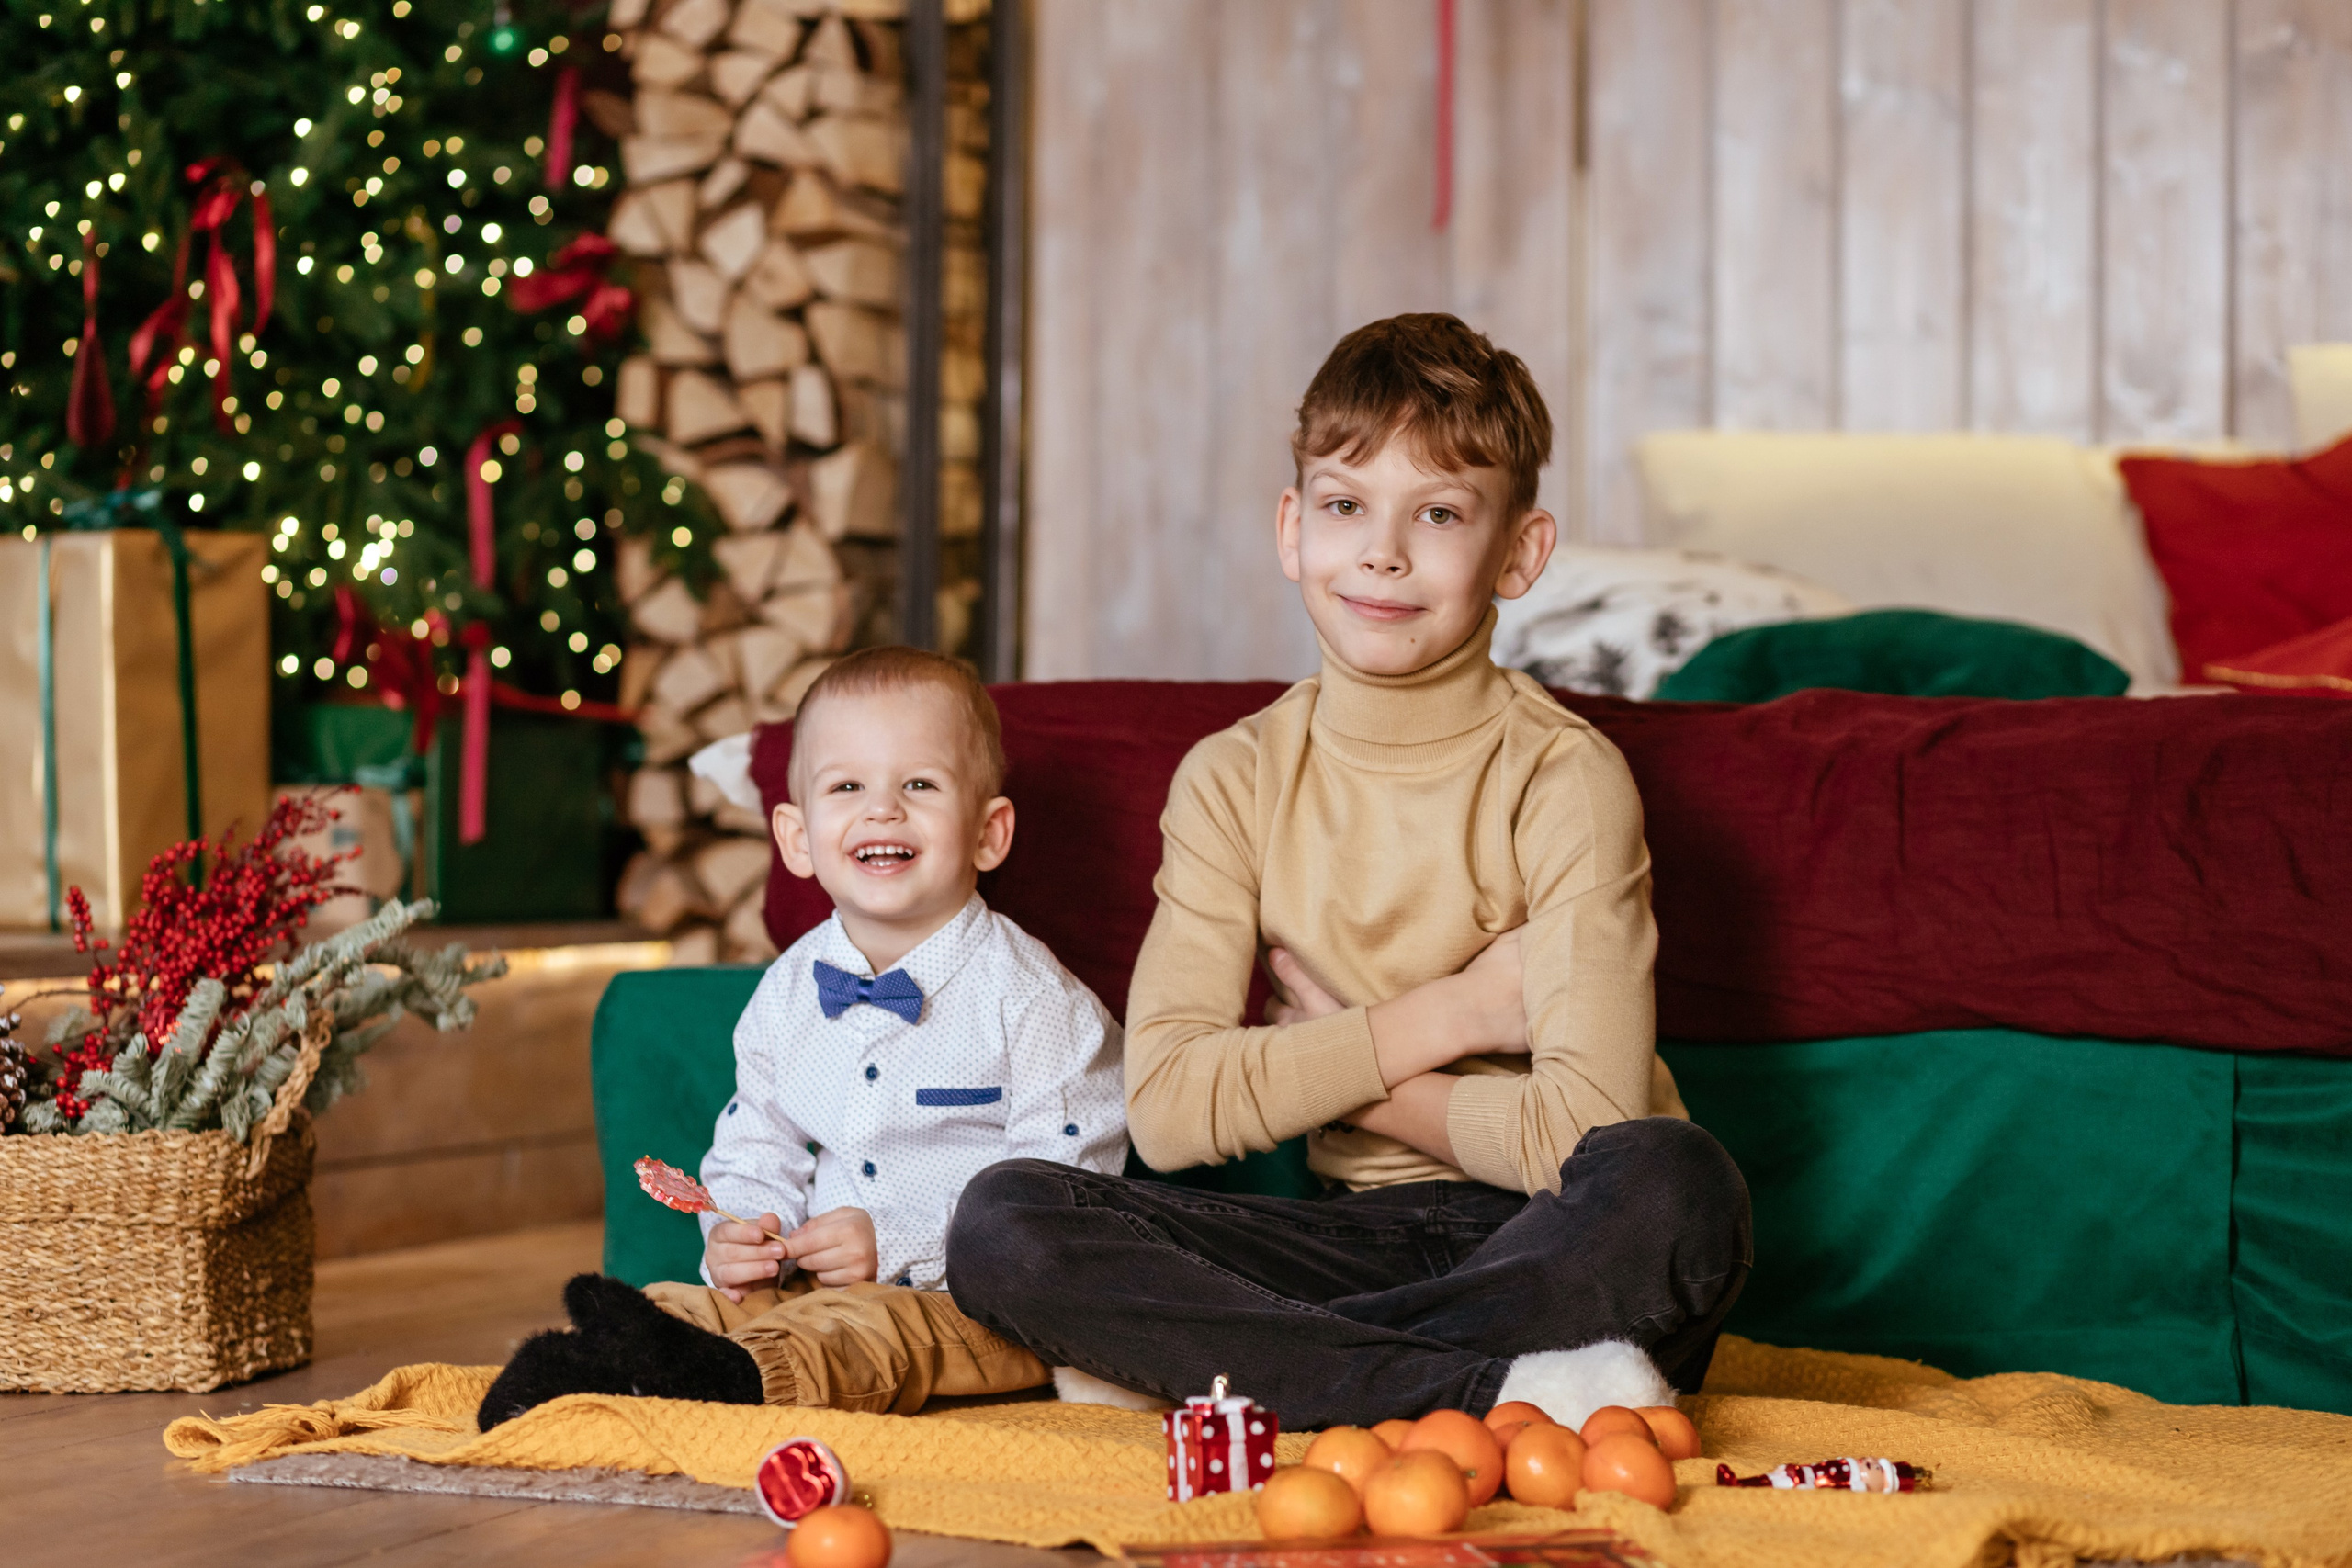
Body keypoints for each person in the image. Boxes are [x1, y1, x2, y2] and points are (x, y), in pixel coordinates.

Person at [945, 314, 1753, 1431]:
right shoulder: (1232, 778)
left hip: (1546, 1243)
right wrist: (1460, 1009)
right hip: (1339, 1248)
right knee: (1003, 1219)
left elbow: (1590, 1134)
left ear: (1518, 553)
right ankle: (1481, 1390)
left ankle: (1254, 1376)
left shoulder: (1565, 778)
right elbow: (1170, 1109)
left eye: (1437, 513)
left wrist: (1365, 1080)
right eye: (1344, 505)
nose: (1381, 552)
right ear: (1292, 529)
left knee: (1678, 1183)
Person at [478, 648, 1127, 1427]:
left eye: (918, 784)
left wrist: (892, 1243)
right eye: (847, 786)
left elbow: (1061, 1202)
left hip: (979, 1309)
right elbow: (757, 1142)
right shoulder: (787, 992)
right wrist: (738, 1231)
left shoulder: (1037, 1001)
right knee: (700, 1305)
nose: (882, 809)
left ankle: (714, 1381)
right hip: (814, 1288)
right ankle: (611, 1363)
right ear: (796, 837)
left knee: (860, 1333)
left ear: (989, 832)